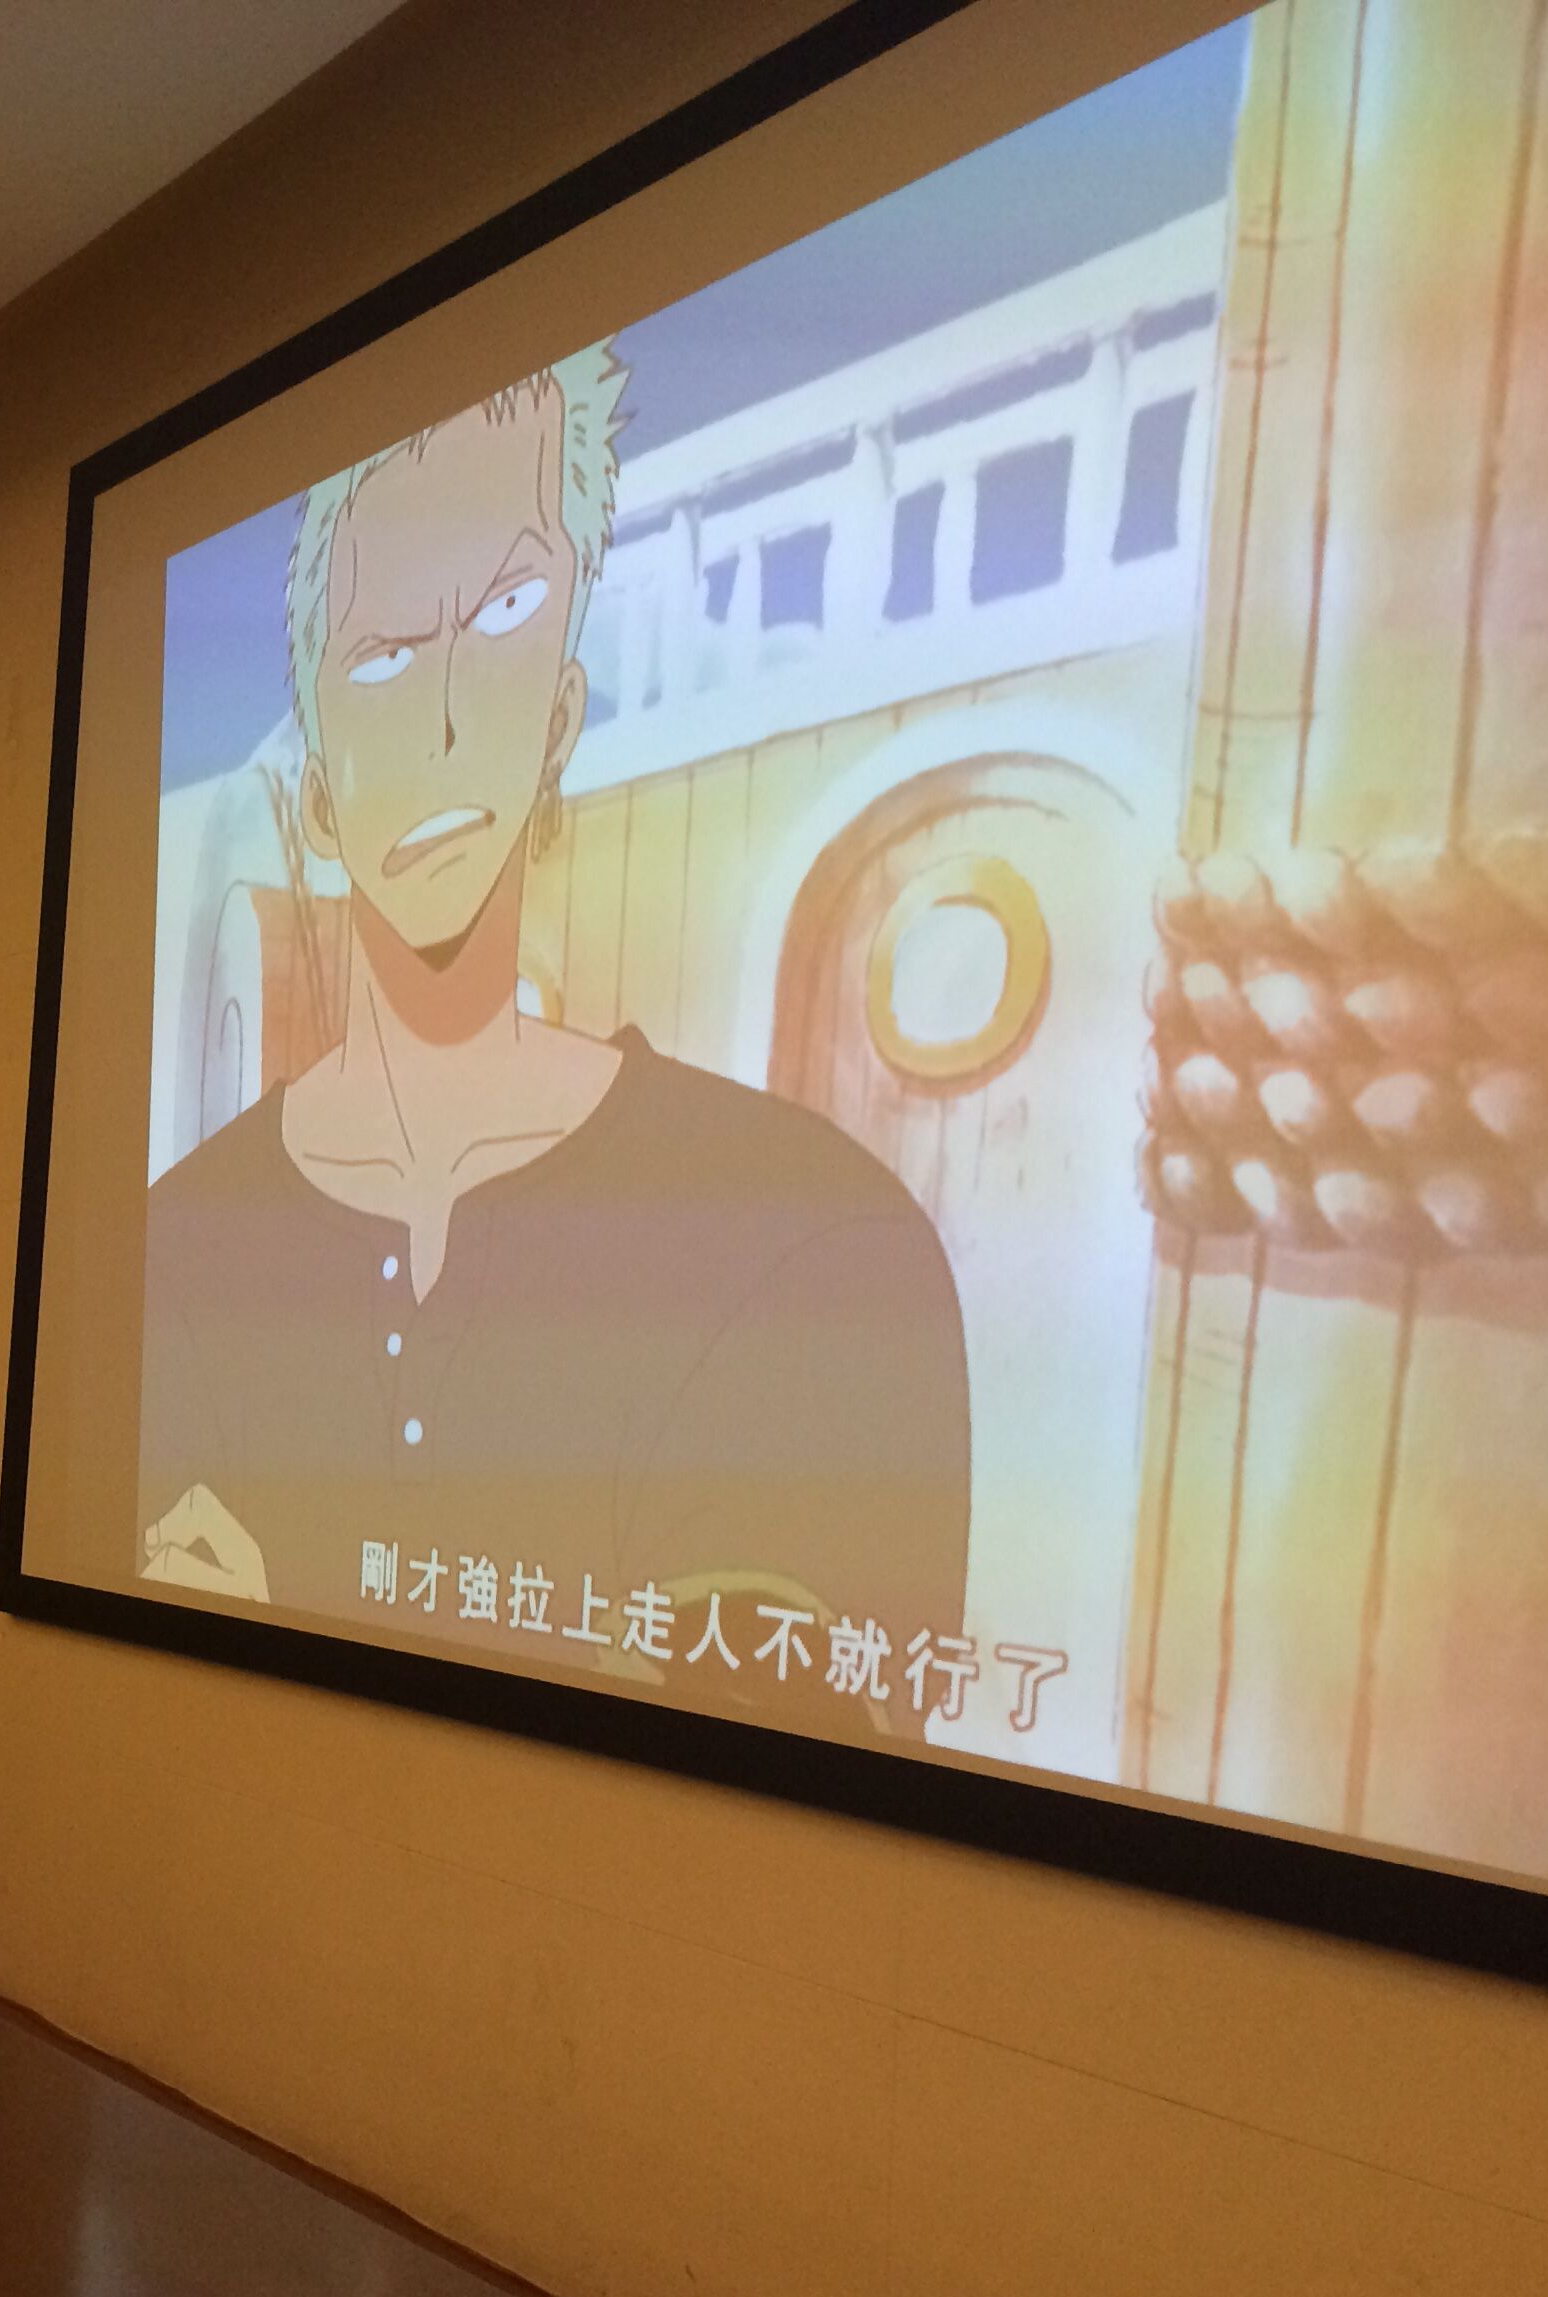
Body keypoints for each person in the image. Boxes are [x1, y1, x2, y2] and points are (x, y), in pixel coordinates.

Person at [139, 346, 969, 1744]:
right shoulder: (174, 1249)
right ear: (318, 793)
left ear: (562, 718)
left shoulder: (810, 1239)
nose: (446, 719)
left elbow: (778, 1752)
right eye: (383, 658)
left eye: (507, 612)